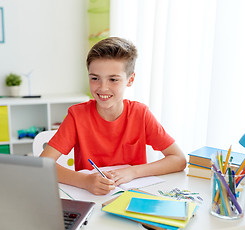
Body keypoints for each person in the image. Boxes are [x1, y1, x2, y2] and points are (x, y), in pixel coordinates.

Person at [40, 37, 186, 195]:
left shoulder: (141, 114)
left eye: (113, 79)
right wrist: (85, 181)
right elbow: (44, 163)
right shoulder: (77, 115)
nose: (103, 88)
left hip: (133, 197)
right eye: (95, 78)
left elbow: (179, 159)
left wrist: (133, 172)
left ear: (130, 80)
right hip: (93, 198)